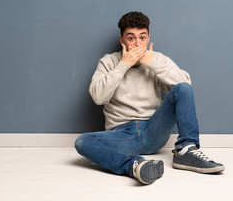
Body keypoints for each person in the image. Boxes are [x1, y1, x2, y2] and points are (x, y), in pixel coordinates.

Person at [75, 11, 225, 185]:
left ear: (148, 38)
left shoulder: (157, 59)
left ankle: (185, 151)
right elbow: (98, 97)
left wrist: (151, 63)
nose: (137, 44)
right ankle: (135, 165)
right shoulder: (109, 61)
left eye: (142, 37)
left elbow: (185, 85)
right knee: (82, 142)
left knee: (182, 87)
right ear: (121, 40)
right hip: (122, 135)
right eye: (131, 38)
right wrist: (124, 65)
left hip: (154, 129)